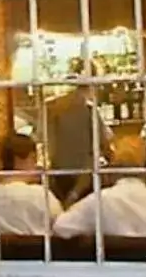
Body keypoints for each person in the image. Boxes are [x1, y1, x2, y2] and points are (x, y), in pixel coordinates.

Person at [53, 135, 146, 242]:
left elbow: (61, 228)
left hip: (115, 276)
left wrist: (76, 193)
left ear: (112, 169)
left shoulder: (99, 201)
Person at [40, 67, 110, 204]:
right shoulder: (88, 110)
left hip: (58, 175)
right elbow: (103, 144)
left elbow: (44, 143)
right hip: (85, 176)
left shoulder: (49, 111)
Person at [0, 132, 60, 237]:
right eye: (34, 159)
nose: (36, 165)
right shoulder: (42, 195)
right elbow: (62, 227)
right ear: (28, 157)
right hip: (39, 252)